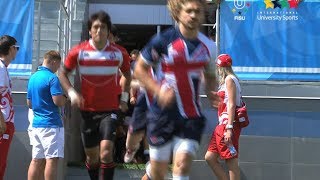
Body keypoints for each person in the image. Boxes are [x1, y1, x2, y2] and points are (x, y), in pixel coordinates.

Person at [133, 0, 218, 179]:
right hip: (161, 115)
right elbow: (139, 68)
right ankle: (150, 173)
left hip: (191, 116)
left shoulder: (210, 47)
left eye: (198, 11)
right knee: (158, 173)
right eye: (189, 11)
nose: (193, 15)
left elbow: (210, 76)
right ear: (178, 13)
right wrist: (158, 90)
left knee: (182, 164)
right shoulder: (162, 40)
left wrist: (212, 93)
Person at [59, 11, 131, 180]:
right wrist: (72, 93)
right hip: (87, 111)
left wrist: (124, 99)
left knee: (106, 153)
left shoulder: (119, 52)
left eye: (103, 27)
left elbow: (127, 75)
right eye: (96, 27)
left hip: (110, 110)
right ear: (90, 31)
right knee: (92, 158)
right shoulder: (78, 51)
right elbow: (62, 73)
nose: (99, 31)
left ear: (108, 31)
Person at [27, 50, 67, 180]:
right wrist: (66, 98)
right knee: (51, 160)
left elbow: (29, 103)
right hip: (51, 124)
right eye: (58, 65)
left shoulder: (33, 77)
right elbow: (58, 101)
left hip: (36, 125)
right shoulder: (52, 78)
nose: (57, 68)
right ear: (54, 61)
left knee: (36, 160)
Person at [205, 54, 241, 180]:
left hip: (227, 125)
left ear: (221, 67)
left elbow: (231, 104)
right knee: (210, 157)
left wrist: (229, 128)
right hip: (222, 125)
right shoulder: (228, 80)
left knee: (230, 160)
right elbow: (225, 102)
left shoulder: (229, 79)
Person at [0, 35, 18, 180]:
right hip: (3, 123)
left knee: (2, 164)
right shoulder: (0, 68)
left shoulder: (3, 68)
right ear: (11, 48)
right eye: (16, 48)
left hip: (6, 122)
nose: (17, 51)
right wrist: (1, 121)